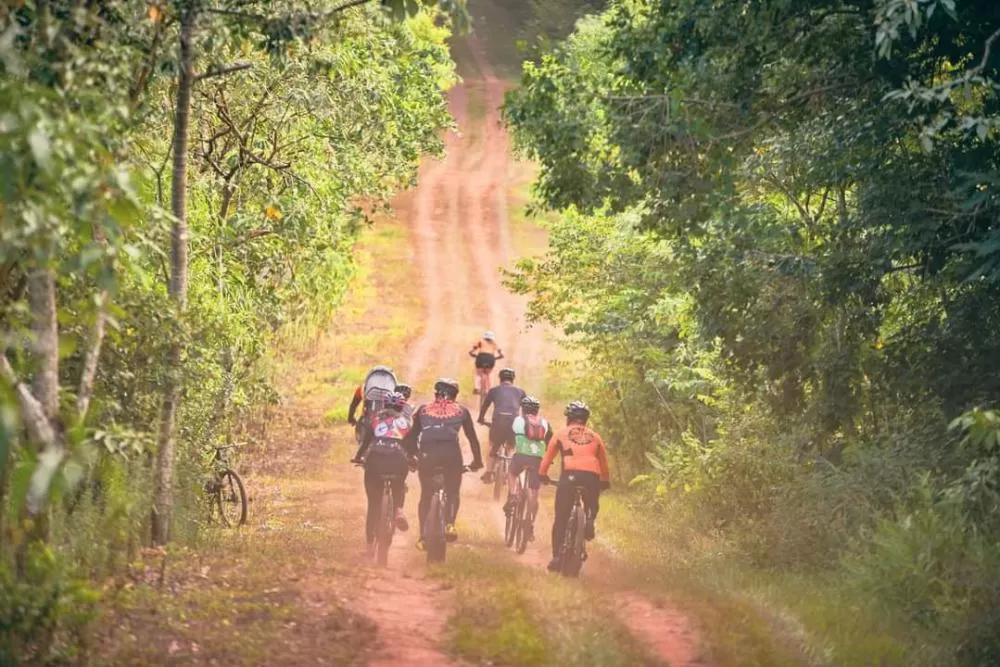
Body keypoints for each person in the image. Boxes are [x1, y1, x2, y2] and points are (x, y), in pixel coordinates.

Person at [403, 378, 484, 548]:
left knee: (425, 494)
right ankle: (450, 524)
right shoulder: (461, 411)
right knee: (453, 490)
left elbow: (410, 438)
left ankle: (423, 538)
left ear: (435, 393)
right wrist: (477, 461)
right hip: (451, 455)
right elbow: (472, 439)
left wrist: (414, 456)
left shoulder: (423, 410)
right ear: (455, 395)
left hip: (427, 455)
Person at [539, 400, 610, 572]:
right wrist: (605, 481)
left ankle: (557, 557)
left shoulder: (561, 434)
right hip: (592, 476)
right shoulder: (596, 437)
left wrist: (542, 474)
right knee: (592, 500)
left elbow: (547, 458)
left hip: (570, 475)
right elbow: (604, 463)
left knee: (561, 518)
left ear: (569, 418)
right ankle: (590, 518)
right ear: (586, 420)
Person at [359, 391, 412, 560]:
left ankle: (368, 549)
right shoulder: (406, 422)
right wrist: (413, 459)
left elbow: (365, 442)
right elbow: (411, 446)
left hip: (375, 460)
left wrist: (359, 457)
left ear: (384, 405)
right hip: (397, 461)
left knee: (373, 506)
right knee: (399, 483)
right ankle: (398, 511)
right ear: (401, 406)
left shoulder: (374, 418)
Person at [504, 395, 552, 541]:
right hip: (538, 460)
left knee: (512, 473)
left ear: (522, 409)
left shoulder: (518, 420)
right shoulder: (545, 423)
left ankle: (512, 495)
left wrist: (510, 447)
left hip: (521, 457)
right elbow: (550, 442)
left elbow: (510, 438)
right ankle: (530, 525)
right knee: (534, 494)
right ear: (537, 410)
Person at [477, 367, 525, 484]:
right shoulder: (520, 392)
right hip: (514, 424)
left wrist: (481, 419)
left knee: (493, 445)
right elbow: (526, 408)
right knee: (511, 447)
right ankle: (510, 468)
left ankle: (489, 472)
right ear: (513, 379)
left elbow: (484, 406)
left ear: (500, 379)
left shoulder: (494, 391)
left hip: (498, 424)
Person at [348, 365, 397, 463]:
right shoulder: (393, 391)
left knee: (363, 432)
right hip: (386, 420)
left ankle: (360, 454)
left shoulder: (362, 388)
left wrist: (351, 418)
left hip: (367, 418)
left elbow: (354, 404)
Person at [468, 331, 504, 395]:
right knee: (488, 374)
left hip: (481, 357)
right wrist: (495, 358)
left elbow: (472, 351)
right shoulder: (494, 343)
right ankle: (489, 389)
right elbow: (501, 355)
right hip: (490, 358)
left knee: (478, 374)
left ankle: (477, 387)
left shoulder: (481, 341)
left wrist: (473, 355)